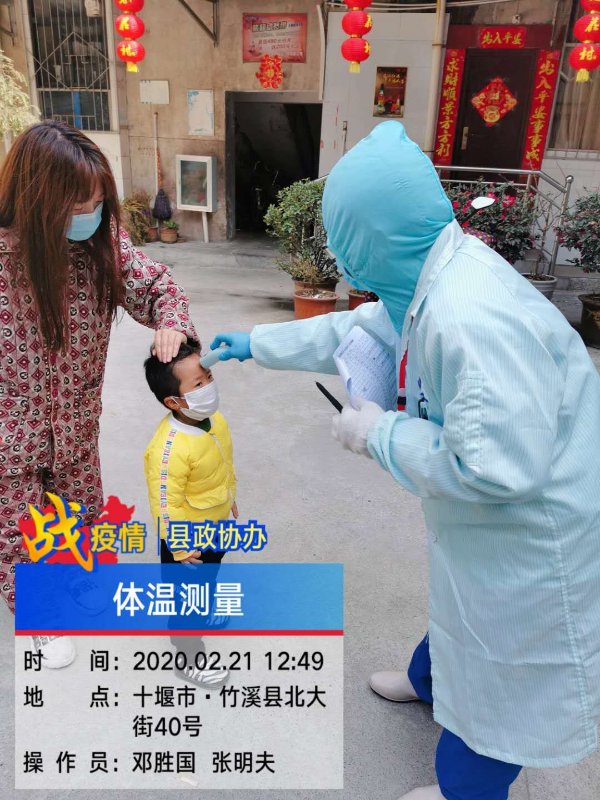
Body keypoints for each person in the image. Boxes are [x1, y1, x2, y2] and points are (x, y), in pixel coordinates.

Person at [211, 121, 600, 800]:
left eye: (343, 241)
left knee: (498, 687)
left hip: (533, 543)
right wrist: (257, 343)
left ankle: (464, 789)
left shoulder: (471, 317)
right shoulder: (425, 274)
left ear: (370, 239)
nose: (339, 258)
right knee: (459, 608)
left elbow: (496, 469)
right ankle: (429, 682)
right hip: (483, 533)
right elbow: (355, 331)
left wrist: (379, 433)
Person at [0, 121, 197, 668]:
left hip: (77, 425)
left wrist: (171, 322)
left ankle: (73, 587)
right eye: (77, 205)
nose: (89, 214)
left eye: (96, 203)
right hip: (10, 436)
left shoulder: (101, 245)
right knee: (17, 532)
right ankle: (39, 617)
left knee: (80, 519)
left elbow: (156, 285)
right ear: (38, 201)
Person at [144, 338, 237, 687]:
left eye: (208, 377)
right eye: (198, 384)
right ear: (173, 401)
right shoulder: (168, 449)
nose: (209, 386)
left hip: (215, 524)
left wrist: (230, 496)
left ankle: (202, 615)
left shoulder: (214, 421)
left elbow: (224, 463)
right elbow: (165, 502)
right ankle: (188, 657)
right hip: (187, 541)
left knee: (207, 582)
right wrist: (180, 546)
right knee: (186, 598)